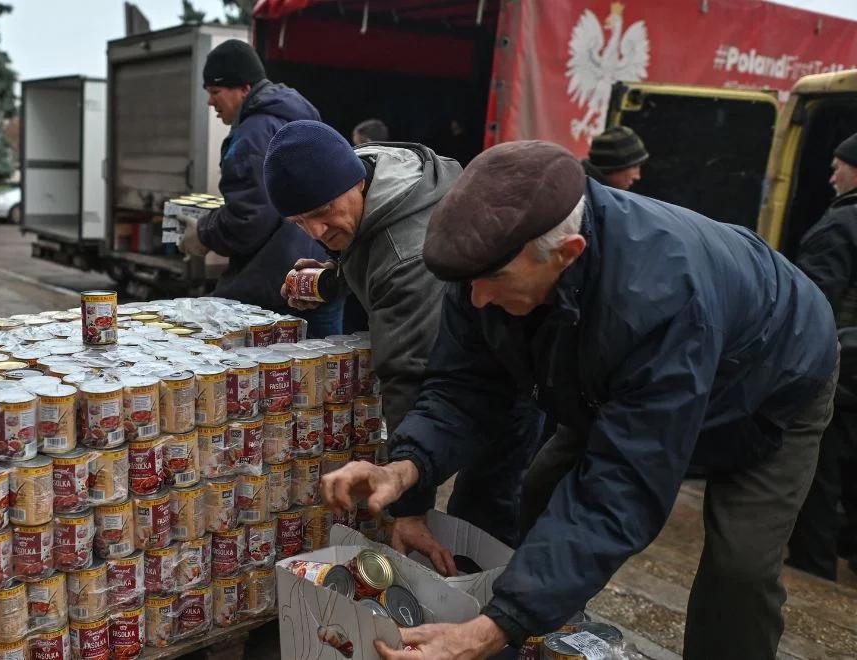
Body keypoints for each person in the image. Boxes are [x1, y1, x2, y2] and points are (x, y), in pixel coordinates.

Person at [324, 141, 837, 659]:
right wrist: (407, 467)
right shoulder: (487, 262)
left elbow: (623, 487)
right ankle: (550, 630)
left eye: (492, 282)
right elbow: (464, 387)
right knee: (542, 489)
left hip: (770, 386)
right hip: (613, 375)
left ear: (568, 254)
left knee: (739, 568)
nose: (477, 300)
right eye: (468, 284)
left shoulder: (655, 303)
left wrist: (491, 628)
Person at [264, 121, 543, 548]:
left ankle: (501, 609)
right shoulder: (383, 172)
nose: (316, 233)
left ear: (356, 182)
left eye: (322, 213)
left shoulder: (407, 255)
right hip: (482, 353)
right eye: (299, 222)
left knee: (484, 513)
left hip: (510, 370)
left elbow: (410, 377)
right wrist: (330, 278)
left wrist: (409, 509)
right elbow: (370, 253)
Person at [177, 39, 342, 336]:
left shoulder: (253, 134)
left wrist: (203, 233)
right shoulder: (295, 117)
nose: (210, 102)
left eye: (215, 92)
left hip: (277, 285)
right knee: (321, 371)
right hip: (318, 273)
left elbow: (248, 219)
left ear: (244, 88)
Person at [787, 133, 857, 581]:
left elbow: (814, 306)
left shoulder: (840, 225)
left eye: (839, 165)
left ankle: (813, 574)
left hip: (844, 372)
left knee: (820, 476)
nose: (831, 174)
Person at [581, 126, 648, 190]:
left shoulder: (589, 190)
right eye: (635, 166)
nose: (637, 176)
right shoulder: (581, 194)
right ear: (612, 167)